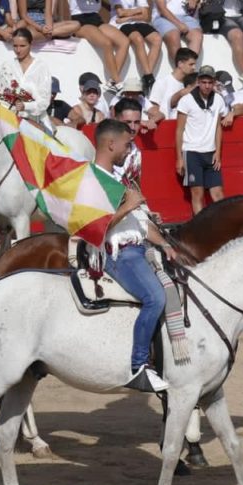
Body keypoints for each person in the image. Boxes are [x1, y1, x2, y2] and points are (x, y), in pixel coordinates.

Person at [96, 119, 175, 391]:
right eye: (126, 145)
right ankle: (139, 366)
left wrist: (165, 245)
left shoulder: (117, 179)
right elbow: (95, 226)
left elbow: (140, 225)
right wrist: (129, 206)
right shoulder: (94, 178)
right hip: (121, 255)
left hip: (139, 247)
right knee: (155, 297)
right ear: (110, 144)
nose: (129, 151)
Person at [175, 65, 227, 214]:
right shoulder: (186, 100)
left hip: (210, 152)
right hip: (192, 152)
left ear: (214, 82)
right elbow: (179, 130)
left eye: (210, 83)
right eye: (204, 82)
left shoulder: (218, 100)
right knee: (197, 193)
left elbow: (218, 127)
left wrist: (217, 152)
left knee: (218, 193)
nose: (207, 86)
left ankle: (224, 226)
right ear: (198, 82)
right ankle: (202, 230)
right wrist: (178, 158)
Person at [68, 0, 130, 93]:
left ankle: (112, 82)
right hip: (80, 21)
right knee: (106, 43)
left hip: (96, 18)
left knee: (124, 42)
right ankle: (118, 81)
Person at [0, 27, 51, 123]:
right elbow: (1, 94)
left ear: (30, 44)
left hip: (35, 120)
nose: (18, 50)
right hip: (9, 119)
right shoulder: (7, 65)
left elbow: (44, 100)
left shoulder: (41, 67)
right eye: (15, 46)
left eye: (22, 46)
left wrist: (26, 106)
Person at [110, 0, 162, 94]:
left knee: (157, 39)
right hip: (120, 24)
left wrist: (127, 16)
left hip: (137, 22)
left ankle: (146, 77)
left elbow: (145, 15)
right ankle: (149, 76)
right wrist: (138, 10)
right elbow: (120, 12)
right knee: (138, 38)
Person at [146, 46, 197, 123]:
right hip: (165, 128)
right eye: (191, 64)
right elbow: (153, 110)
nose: (194, 68)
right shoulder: (162, 82)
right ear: (180, 64)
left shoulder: (188, 85)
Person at [152, 0, 203, 65]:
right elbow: (162, 8)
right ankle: (181, 69)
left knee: (197, 36)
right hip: (162, 16)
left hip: (185, 16)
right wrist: (178, 24)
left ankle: (189, 67)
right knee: (173, 36)